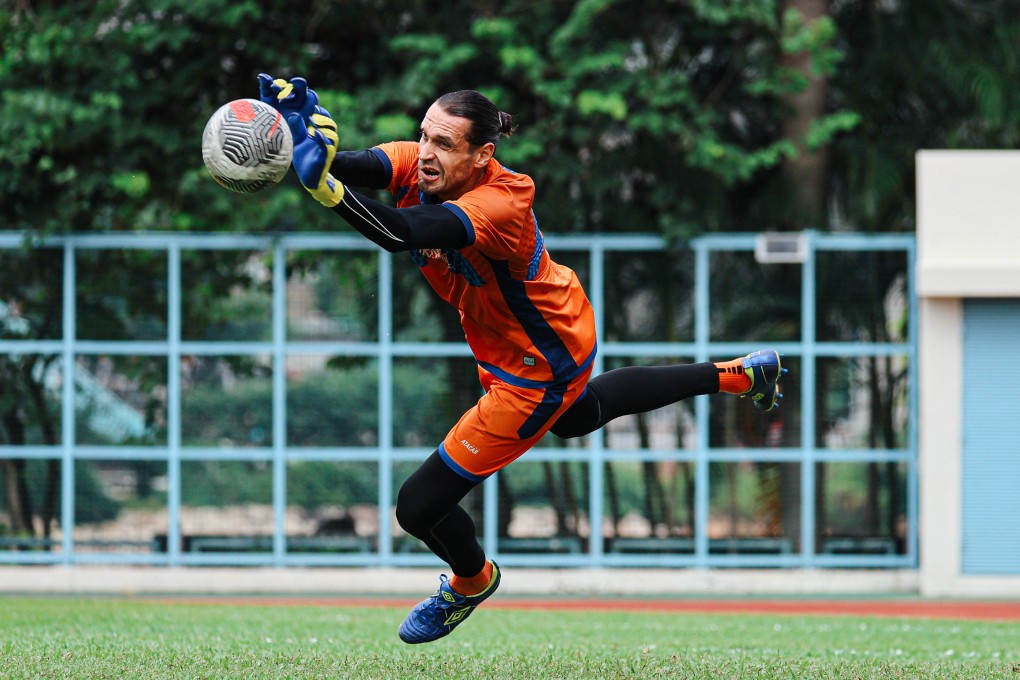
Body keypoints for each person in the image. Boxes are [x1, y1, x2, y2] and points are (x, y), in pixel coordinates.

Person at [256, 74, 787, 644]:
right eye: (424, 136)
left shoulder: (501, 202)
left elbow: (401, 231)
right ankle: (738, 375)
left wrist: (326, 189)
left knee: (417, 506)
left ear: (483, 155)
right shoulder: (426, 162)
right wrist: (291, 142)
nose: (426, 154)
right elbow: (357, 165)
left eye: (443, 145)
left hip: (539, 364)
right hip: (535, 335)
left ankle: (471, 581)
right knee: (582, 414)